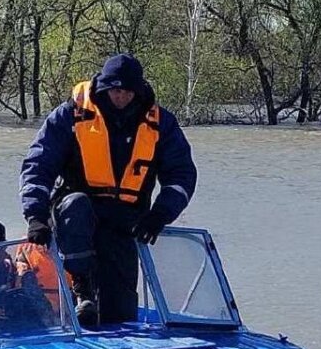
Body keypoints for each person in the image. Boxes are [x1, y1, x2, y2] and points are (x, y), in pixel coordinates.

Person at [18, 53, 198, 326]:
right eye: (115, 90)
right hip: (75, 215)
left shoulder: (161, 123)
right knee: (76, 206)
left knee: (121, 311)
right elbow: (38, 165)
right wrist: (35, 215)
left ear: (138, 91)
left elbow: (181, 174)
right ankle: (82, 289)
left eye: (128, 91)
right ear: (104, 87)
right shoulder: (70, 115)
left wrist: (161, 213)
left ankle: (122, 344)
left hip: (126, 221)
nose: (121, 97)